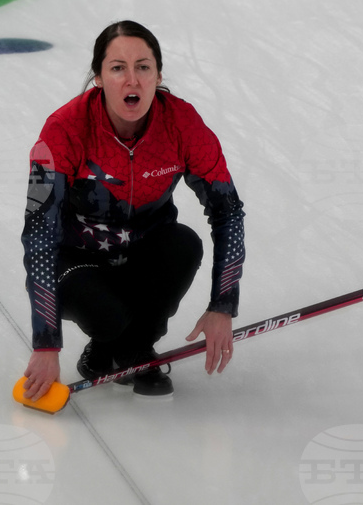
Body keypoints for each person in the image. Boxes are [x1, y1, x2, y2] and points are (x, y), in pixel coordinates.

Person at [20, 20, 245, 400]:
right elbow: (39, 234)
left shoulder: (183, 124)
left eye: (143, 67)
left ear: (158, 75)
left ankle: (133, 349)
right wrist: (46, 344)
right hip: (76, 262)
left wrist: (223, 304)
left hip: (142, 250)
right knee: (108, 315)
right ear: (98, 78)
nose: (132, 80)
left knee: (183, 244)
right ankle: (110, 341)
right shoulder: (63, 130)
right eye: (118, 68)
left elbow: (228, 211)